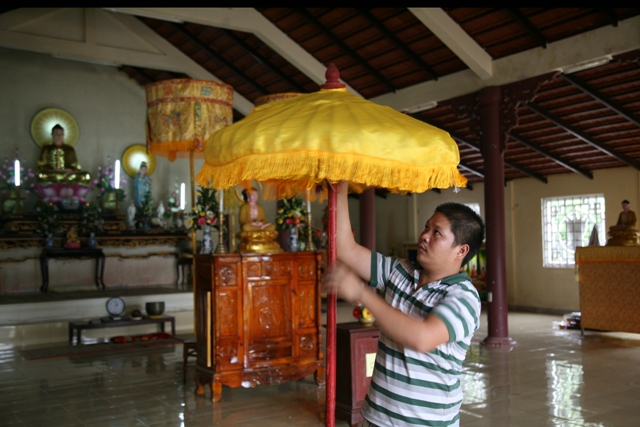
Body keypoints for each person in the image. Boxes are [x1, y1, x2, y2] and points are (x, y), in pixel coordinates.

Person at [325, 181, 485, 427]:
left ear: (461, 251)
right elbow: (346, 250)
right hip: (375, 417)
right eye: (426, 227)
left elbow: (422, 338)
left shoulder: (463, 296)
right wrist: (340, 188)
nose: (424, 236)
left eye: (437, 233)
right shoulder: (399, 271)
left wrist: (361, 293)